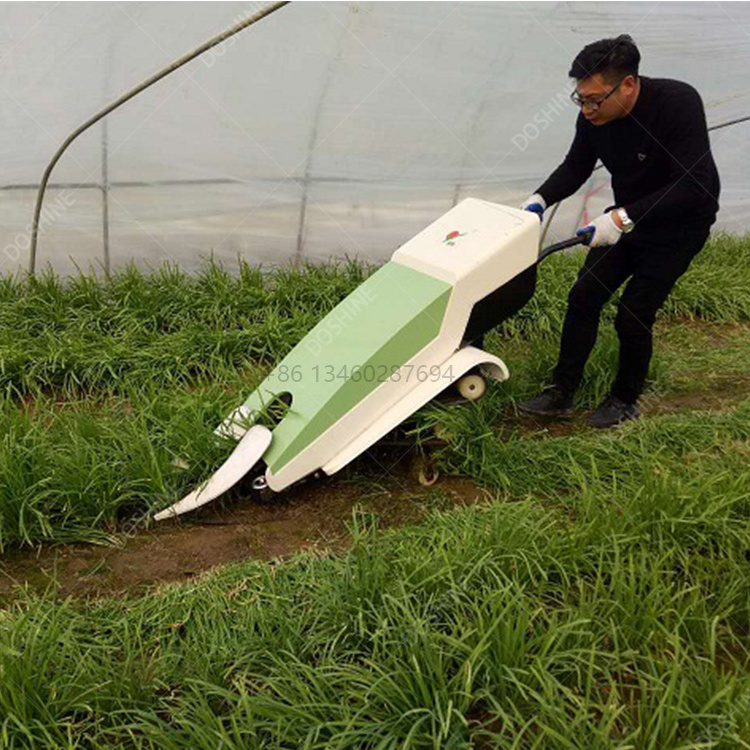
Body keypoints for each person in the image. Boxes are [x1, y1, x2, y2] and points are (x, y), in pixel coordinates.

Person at [518, 34, 720, 428]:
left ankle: (624, 398)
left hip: (680, 226)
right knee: (584, 296)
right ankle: (561, 390)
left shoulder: (677, 103)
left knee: (633, 312)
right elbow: (577, 166)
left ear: (627, 84)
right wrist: (539, 201)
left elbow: (693, 184)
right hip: (627, 218)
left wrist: (621, 218)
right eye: (580, 99)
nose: (587, 109)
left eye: (594, 99)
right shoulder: (594, 117)